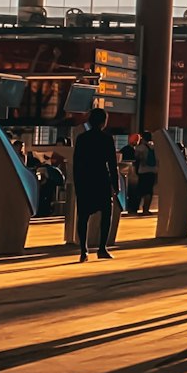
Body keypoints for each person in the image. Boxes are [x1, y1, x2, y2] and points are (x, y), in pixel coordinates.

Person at [70, 108, 118, 262]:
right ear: (104, 122)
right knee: (106, 214)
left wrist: (77, 182)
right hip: (101, 179)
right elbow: (112, 164)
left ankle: (84, 250)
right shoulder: (107, 139)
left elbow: (76, 163)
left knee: (83, 216)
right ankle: (102, 248)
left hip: (85, 180)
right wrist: (116, 185)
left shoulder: (82, 139)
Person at [132, 133, 160, 215]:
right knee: (149, 191)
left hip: (143, 171)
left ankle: (135, 209)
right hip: (153, 171)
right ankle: (146, 209)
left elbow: (137, 158)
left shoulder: (141, 148)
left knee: (140, 190)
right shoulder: (155, 147)